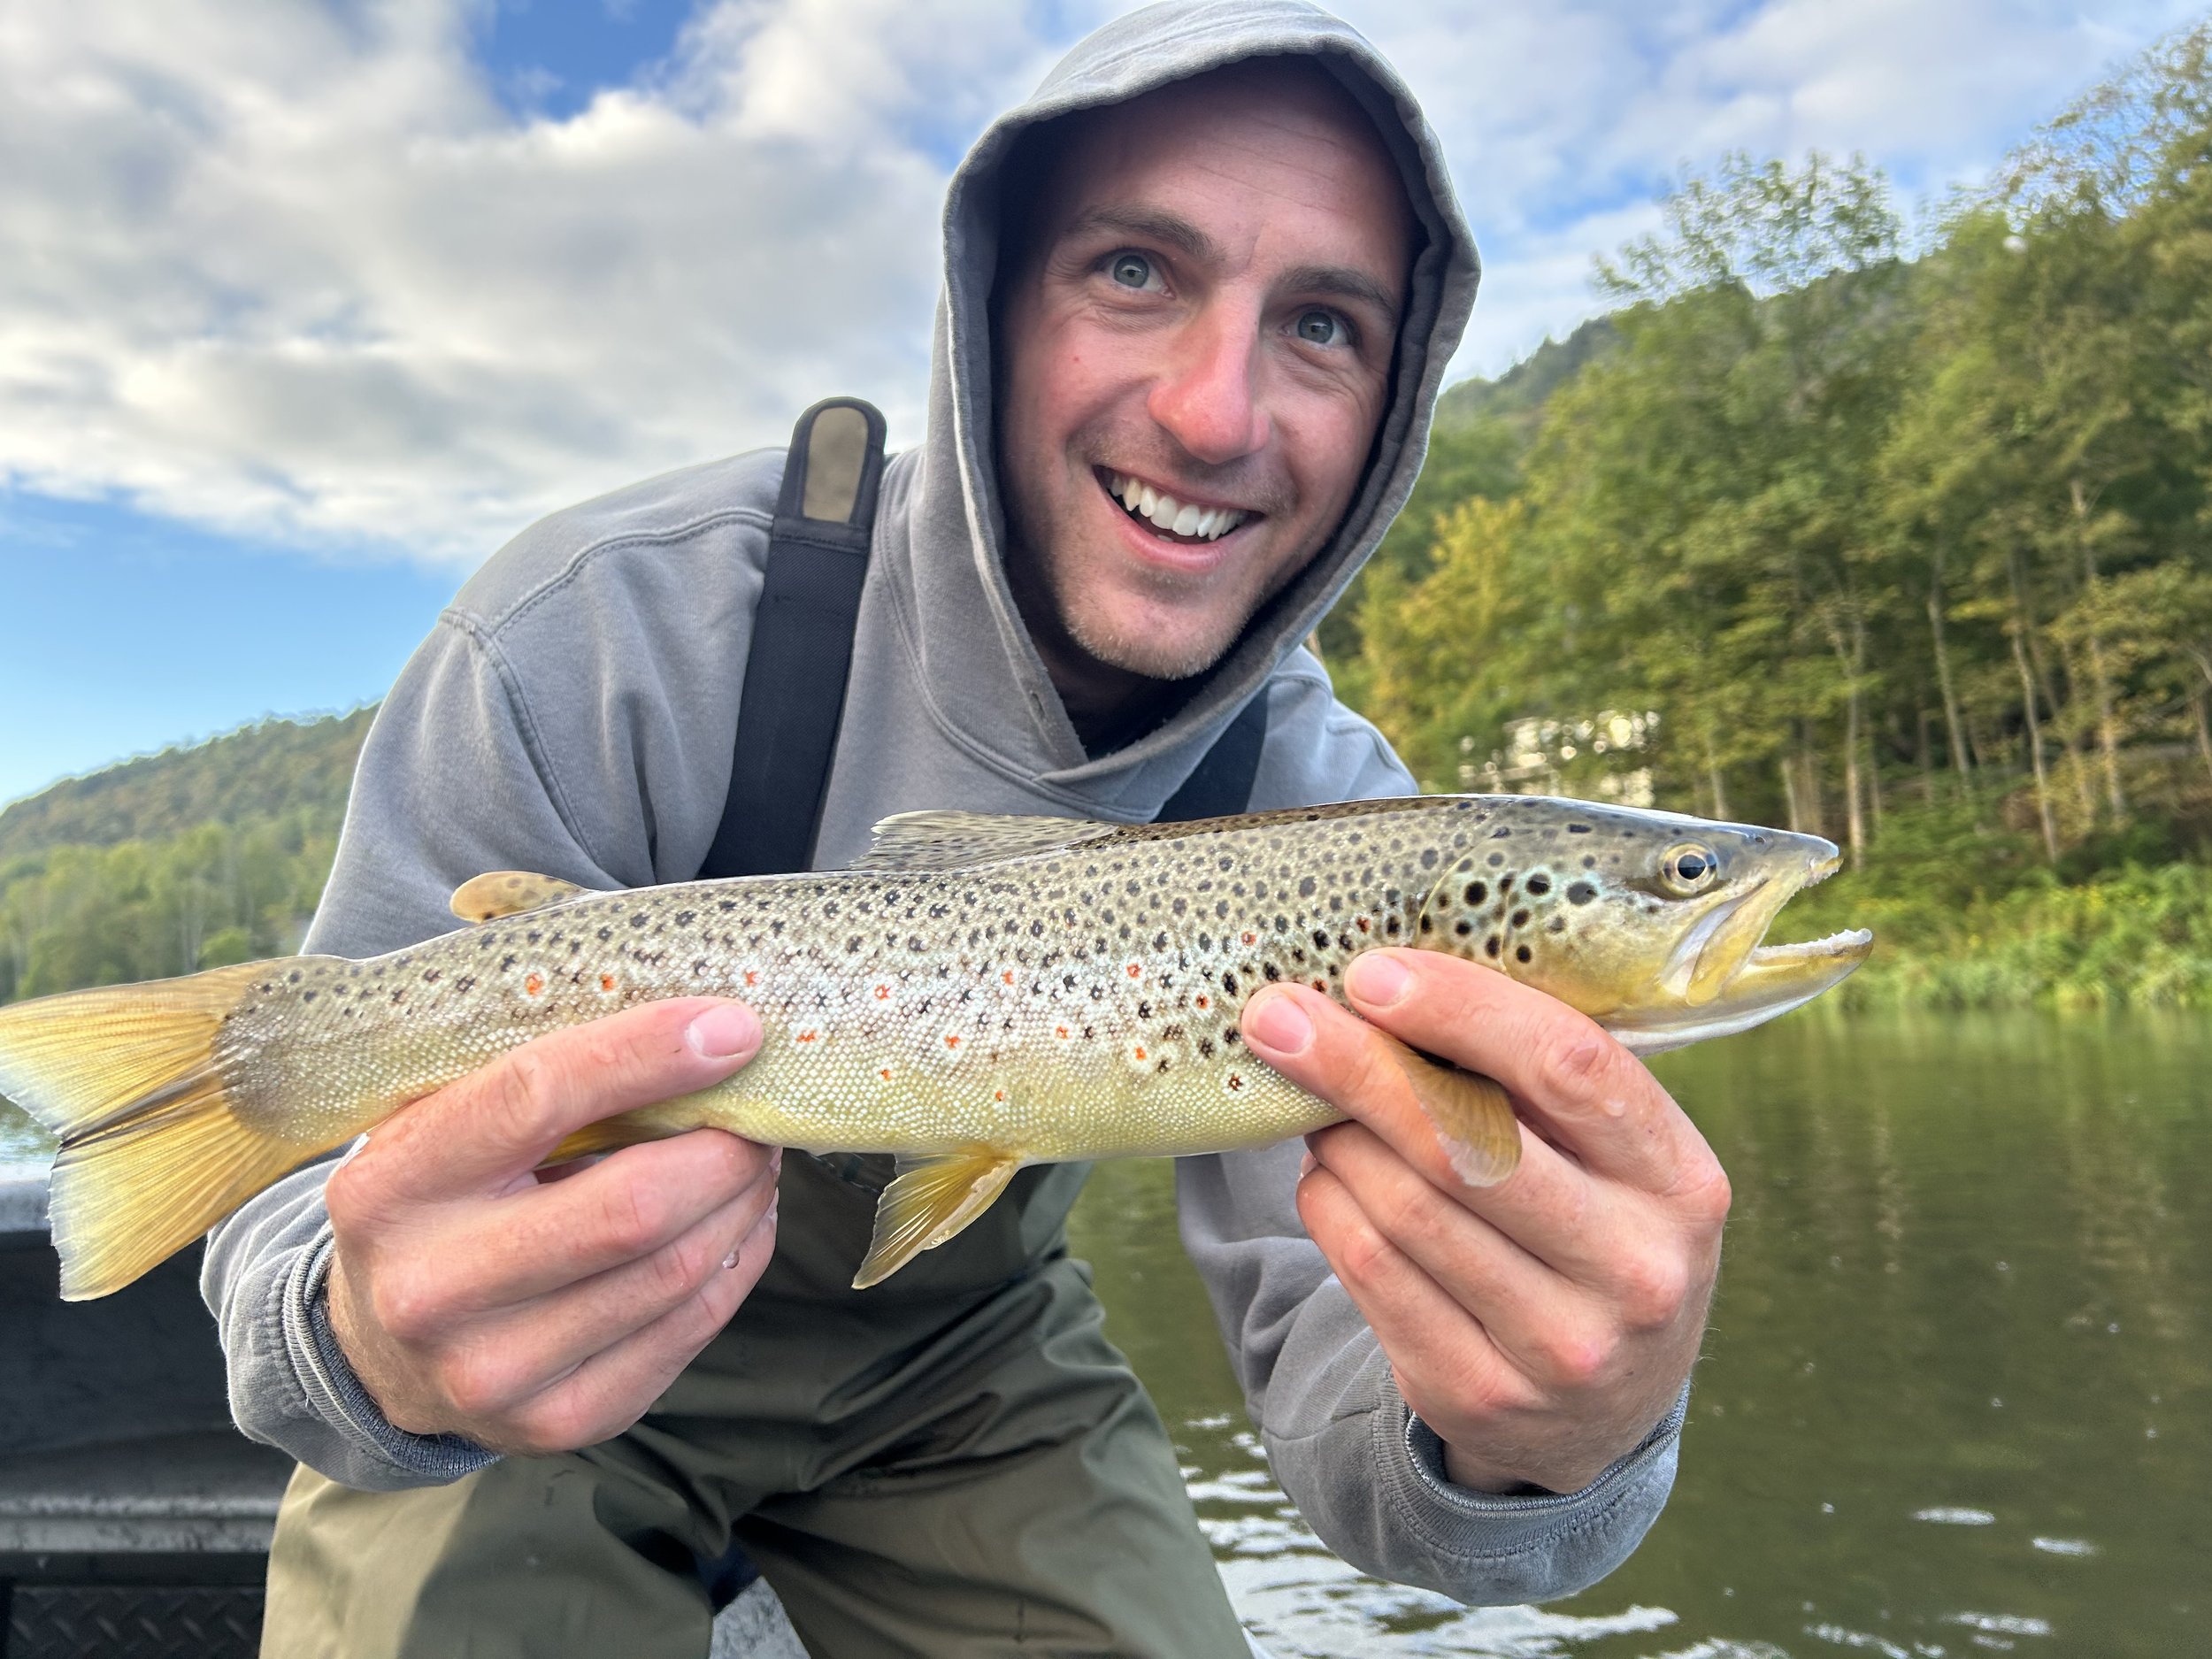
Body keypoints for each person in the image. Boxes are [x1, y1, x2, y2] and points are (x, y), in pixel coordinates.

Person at [207, 4, 1731, 1654]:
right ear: (985, 311)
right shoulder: (601, 631)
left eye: (1324, 325)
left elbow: (1374, 1432)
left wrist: (1555, 1449)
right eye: (1136, 270)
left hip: (963, 1367)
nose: (1218, 413)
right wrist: (369, 1333)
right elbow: (290, 1231)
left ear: (1390, 410)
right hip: (551, 1365)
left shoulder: (1346, 814)